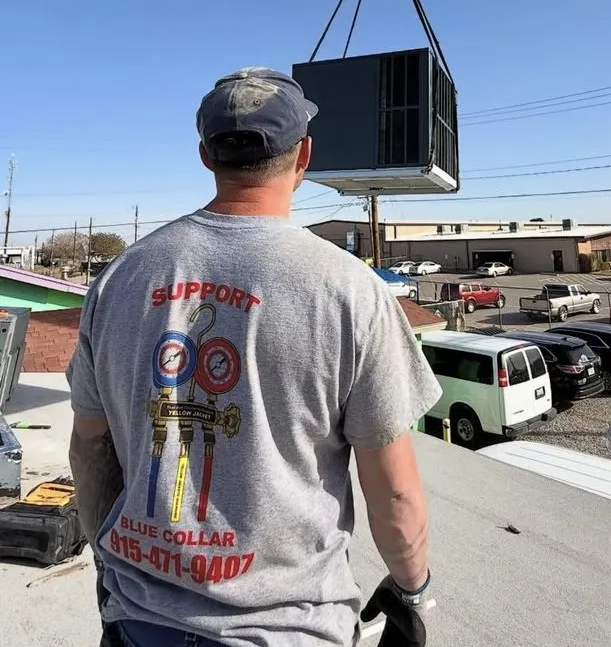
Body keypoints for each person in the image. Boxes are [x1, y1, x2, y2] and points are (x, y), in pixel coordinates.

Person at [67, 67, 442, 647]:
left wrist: (105, 561)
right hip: (290, 630)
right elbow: (392, 491)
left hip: (137, 625)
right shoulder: (350, 291)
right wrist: (411, 589)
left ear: (205, 155)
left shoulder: (121, 278)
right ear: (305, 155)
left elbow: (91, 449)